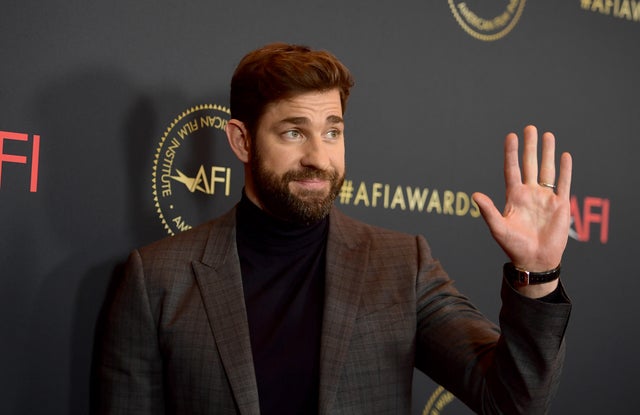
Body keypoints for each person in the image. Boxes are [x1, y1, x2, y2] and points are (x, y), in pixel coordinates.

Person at [96, 43, 572, 414]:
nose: (319, 158)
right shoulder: (156, 279)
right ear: (241, 141)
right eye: (293, 132)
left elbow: (513, 402)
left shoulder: (401, 265)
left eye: (332, 131)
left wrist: (538, 275)